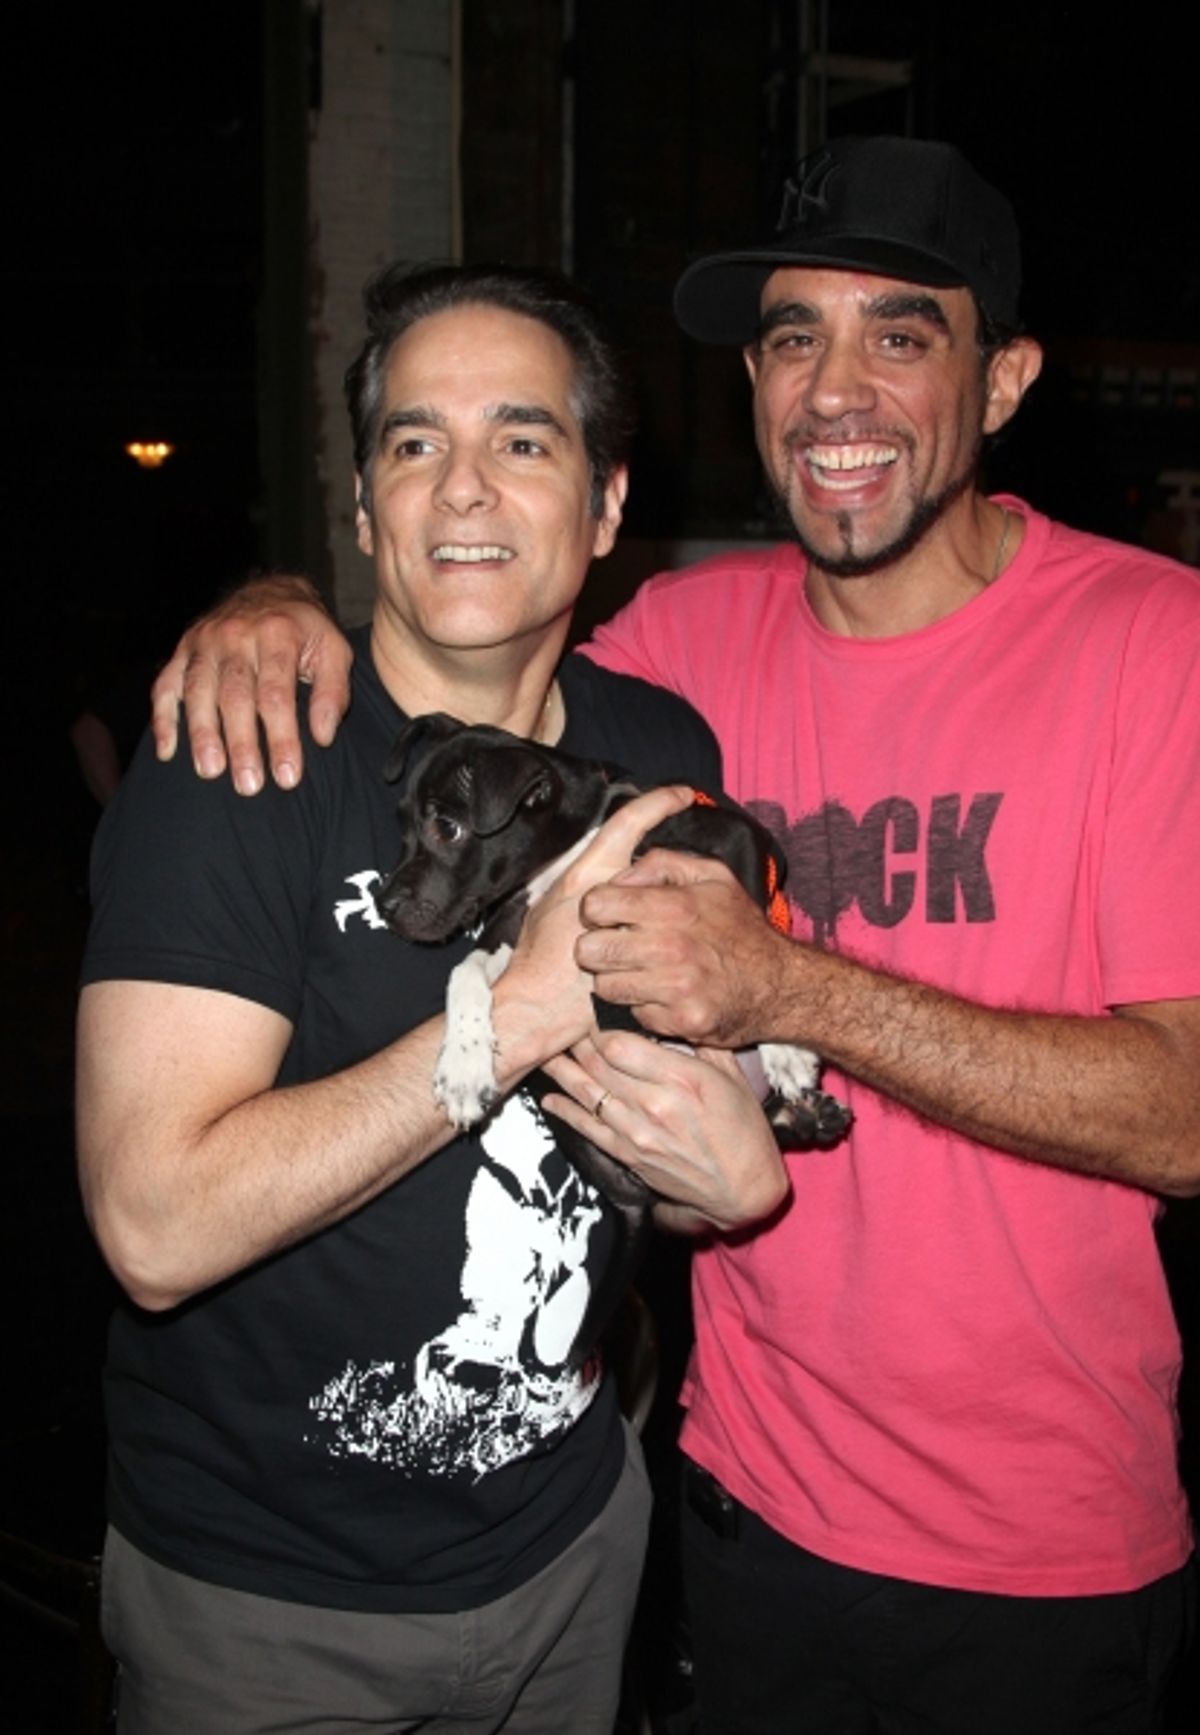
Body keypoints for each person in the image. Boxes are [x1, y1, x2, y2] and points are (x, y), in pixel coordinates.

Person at [149, 137, 1200, 1732]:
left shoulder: (1154, 643)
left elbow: (1184, 1118)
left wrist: (793, 987)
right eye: (794, 338)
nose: (835, 391)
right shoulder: (674, 658)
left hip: (1039, 1549)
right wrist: (276, 597)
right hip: (729, 1500)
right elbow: (464, 610)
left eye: (901, 336)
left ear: (1004, 382)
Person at [77, 260, 791, 1735]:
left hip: (576, 1550)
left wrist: (719, 1180)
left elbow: (666, 1105)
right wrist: (512, 1016)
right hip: (270, 1615)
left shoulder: (659, 744)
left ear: (603, 506)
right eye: (415, 444)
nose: (464, 489)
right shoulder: (244, 765)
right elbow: (151, 1229)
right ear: (362, 512)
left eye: (523, 441)